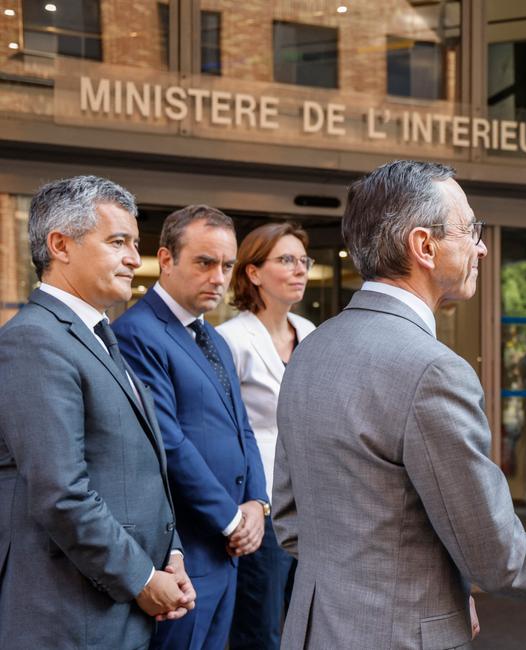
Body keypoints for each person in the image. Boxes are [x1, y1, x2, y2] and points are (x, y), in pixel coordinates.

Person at [272, 160, 526, 649]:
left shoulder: (309, 349)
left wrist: (440, 590)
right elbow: (495, 555)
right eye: (470, 229)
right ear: (423, 246)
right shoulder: (432, 370)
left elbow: (291, 523)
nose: (481, 245)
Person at [0, 176, 194, 648]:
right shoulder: (34, 340)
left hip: (112, 606)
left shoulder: (98, 335)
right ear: (60, 245)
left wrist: (171, 552)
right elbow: (60, 491)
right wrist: (144, 578)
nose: (134, 258)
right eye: (118, 242)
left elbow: (136, 470)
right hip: (68, 614)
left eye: (134, 243)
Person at [113, 205, 269, 650]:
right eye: (205, 262)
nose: (218, 277)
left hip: (227, 550)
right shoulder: (137, 333)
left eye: (226, 265)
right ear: (165, 259)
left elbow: (245, 428)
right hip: (184, 552)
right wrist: (232, 518)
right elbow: (168, 443)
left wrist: (257, 503)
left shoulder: (214, 337)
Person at [217, 222, 316, 649]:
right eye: (286, 260)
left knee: (307, 618)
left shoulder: (311, 332)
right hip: (262, 504)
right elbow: (225, 432)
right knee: (260, 627)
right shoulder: (230, 340)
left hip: (313, 501)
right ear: (253, 272)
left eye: (303, 261)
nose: (300, 270)